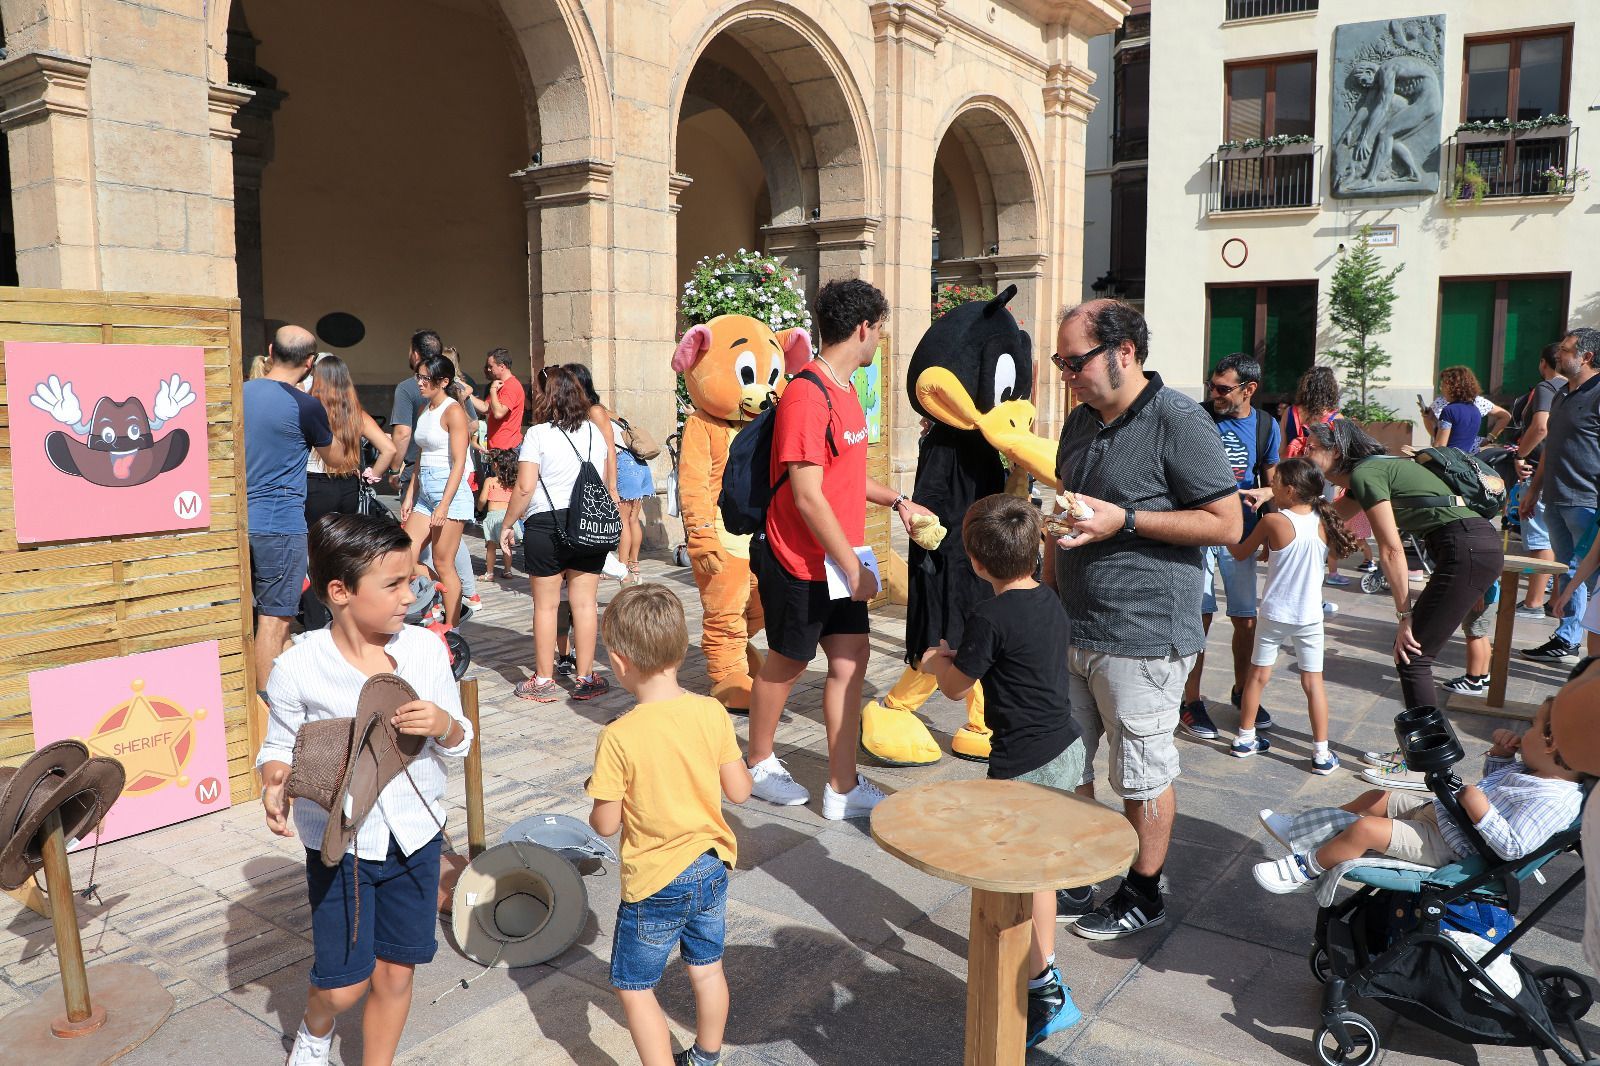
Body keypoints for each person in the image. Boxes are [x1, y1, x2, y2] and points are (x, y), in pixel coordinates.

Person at [1043, 298, 1239, 939]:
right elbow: (1067, 505)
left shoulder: (1179, 421)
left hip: (1145, 634)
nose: (1066, 374)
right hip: (1073, 623)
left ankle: (1143, 888)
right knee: (1067, 765)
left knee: (1141, 772)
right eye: (1061, 362)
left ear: (1123, 352)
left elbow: (1226, 523)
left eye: (1075, 362)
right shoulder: (1081, 421)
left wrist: (1123, 519)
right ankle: (1083, 867)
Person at [257, 513, 472, 1066]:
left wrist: (444, 725)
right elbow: (278, 745)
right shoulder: (298, 666)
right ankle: (316, 1025)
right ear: (340, 592)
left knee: (398, 970)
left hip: (417, 838)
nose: (410, 595)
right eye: (393, 584)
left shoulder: (424, 650)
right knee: (344, 984)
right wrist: (274, 780)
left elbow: (461, 741)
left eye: (411, 581)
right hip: (342, 847)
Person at [743, 278, 935, 818]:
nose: (880, 341)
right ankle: (758, 760)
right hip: (799, 560)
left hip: (836, 561)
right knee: (786, 661)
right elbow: (806, 495)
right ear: (862, 327)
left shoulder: (846, 392)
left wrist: (899, 501)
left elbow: (843, 477)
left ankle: (841, 787)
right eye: (880, 330)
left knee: (851, 660)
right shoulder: (807, 394)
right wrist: (853, 566)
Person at [920, 495, 1085, 1048]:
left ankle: (1043, 985)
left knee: (1015, 876)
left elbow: (956, 686)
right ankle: (1047, 966)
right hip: (1065, 748)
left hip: (1023, 765)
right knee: (1042, 874)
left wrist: (936, 660)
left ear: (978, 563)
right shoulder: (1049, 600)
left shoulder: (989, 615)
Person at [586, 584, 752, 1066]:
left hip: (655, 881)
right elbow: (739, 791)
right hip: (712, 867)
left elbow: (605, 824)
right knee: (706, 969)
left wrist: (598, 798)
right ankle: (706, 1057)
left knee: (635, 988)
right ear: (681, 649)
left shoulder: (618, 736)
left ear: (618, 662)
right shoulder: (711, 710)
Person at [1254, 699, 1582, 893]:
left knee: (1366, 829)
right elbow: (1494, 787)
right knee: (1376, 799)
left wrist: (1481, 811)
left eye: (1534, 726)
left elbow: (1513, 846)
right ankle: (1306, 832)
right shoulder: (1535, 770)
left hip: (1450, 844)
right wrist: (1501, 758)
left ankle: (1304, 868)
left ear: (1551, 742)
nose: (1525, 732)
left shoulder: (1555, 801)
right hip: (1445, 814)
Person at [1304, 419, 1503, 709]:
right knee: (1413, 657)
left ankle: (1420, 752)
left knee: (1413, 657)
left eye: (1311, 447)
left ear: (1335, 452)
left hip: (1465, 547)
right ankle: (1420, 749)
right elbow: (1324, 522)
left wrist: (1404, 615)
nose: (1304, 453)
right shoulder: (1372, 472)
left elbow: (1391, 551)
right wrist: (1275, 495)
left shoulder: (1366, 473)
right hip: (1472, 545)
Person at [1226, 458, 1358, 774]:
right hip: (1310, 615)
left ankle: (1245, 738)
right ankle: (1322, 755)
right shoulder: (1326, 520)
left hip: (1275, 612)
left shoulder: (1273, 521)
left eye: (1274, 484)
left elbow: (1241, 552)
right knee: (1313, 683)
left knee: (1257, 676)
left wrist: (1226, 529)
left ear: (1288, 489)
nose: (1270, 488)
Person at [1179, 353, 1279, 742]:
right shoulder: (1197, 418)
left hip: (1242, 535)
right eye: (1212, 385)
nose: (1214, 393)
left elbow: (1274, 480)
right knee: (1199, 617)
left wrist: (1270, 513)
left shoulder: (1266, 425)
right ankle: (1191, 701)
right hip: (1200, 532)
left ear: (1248, 390)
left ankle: (1242, 692)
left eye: (1223, 388)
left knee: (1245, 619)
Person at [498, 365, 612, 702]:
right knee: (585, 605)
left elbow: (524, 486)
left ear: (548, 398)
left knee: (546, 607)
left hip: (546, 524)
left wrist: (507, 524)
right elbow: (602, 482)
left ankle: (545, 679)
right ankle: (586, 677)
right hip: (587, 523)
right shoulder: (594, 432)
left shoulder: (537, 435)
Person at [243, 325, 332, 688]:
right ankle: (266, 710)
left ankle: (282, 689)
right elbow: (337, 458)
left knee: (249, 620)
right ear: (310, 363)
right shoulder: (306, 406)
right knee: (275, 620)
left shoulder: (237, 393)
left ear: (269, 350)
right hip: (279, 524)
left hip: (236, 522)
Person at [1521, 328, 1600, 663]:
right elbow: (1551, 447)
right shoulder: (1561, 393)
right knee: (1565, 571)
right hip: (1554, 498)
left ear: (1586, 357)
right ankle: (1567, 638)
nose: (1559, 355)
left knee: (1595, 579)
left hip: (1587, 502)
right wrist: (1534, 490)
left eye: (1566, 350)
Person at [388, 330, 480, 615]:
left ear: (443, 382)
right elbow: (422, 456)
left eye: (425, 378)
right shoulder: (426, 408)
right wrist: (410, 497)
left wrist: (444, 504)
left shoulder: (453, 411)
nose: (419, 382)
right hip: (425, 490)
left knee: (442, 562)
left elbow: (459, 463)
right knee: (406, 555)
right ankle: (436, 598)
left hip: (448, 491)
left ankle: (451, 623)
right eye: (419, 377)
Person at [301, 354, 395, 630]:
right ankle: (346, 615)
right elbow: (389, 449)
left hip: (315, 486)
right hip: (348, 487)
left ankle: (315, 622)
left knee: (314, 556)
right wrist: (373, 474)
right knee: (342, 552)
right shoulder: (356, 413)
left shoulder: (309, 409)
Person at [1281, 366, 1375, 583]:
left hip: (1293, 479)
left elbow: (1281, 449)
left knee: (1294, 526)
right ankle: (1316, 578)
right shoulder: (1336, 418)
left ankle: (1291, 576)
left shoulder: (1291, 412)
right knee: (1323, 527)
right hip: (1325, 481)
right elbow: (1342, 455)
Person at [1511, 343, 1566, 616]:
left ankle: (1532, 602)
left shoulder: (1547, 387)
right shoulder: (1578, 390)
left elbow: (1540, 426)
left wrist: (1521, 454)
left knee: (1540, 541)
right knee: (1560, 543)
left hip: (1538, 472)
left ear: (1544, 363)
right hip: (1567, 476)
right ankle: (1555, 601)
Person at [565, 362, 629, 581]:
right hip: (581, 479)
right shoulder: (575, 412)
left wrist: (611, 488)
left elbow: (610, 449)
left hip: (597, 481)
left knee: (597, 530)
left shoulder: (595, 411)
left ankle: (622, 570)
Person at [1420, 366, 1510, 452]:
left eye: (1443, 385)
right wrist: (1432, 419)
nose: (1441, 389)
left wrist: (1419, 454)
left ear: (1454, 387)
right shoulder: (1475, 410)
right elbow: (1456, 433)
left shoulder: (1449, 410)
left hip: (1448, 461)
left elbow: (1440, 446)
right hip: (1466, 460)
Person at [471, 347, 527, 452]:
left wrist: (492, 390)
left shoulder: (511, 386)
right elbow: (485, 407)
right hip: (497, 448)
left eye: (490, 366)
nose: (488, 369)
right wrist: (466, 393)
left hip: (507, 449)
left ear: (502, 366)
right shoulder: (500, 385)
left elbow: (499, 413)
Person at [477, 447, 519, 580]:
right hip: (509, 518)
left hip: (493, 518)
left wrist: (479, 508)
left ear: (495, 465)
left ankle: (489, 573)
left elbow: (482, 500)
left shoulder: (490, 481)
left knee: (491, 546)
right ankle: (507, 571)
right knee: (506, 546)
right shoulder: (513, 483)